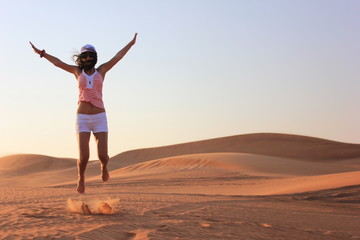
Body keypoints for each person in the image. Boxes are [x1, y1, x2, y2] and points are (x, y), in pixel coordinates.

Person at [30, 33, 137, 194]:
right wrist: (42, 53)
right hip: (82, 117)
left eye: (91, 55)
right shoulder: (76, 71)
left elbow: (118, 56)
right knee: (84, 156)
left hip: (100, 116)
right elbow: (58, 63)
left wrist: (131, 43)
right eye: (85, 55)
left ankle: (104, 166)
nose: (88, 58)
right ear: (81, 58)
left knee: (103, 154)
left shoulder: (102, 70)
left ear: (95, 57)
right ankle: (81, 178)